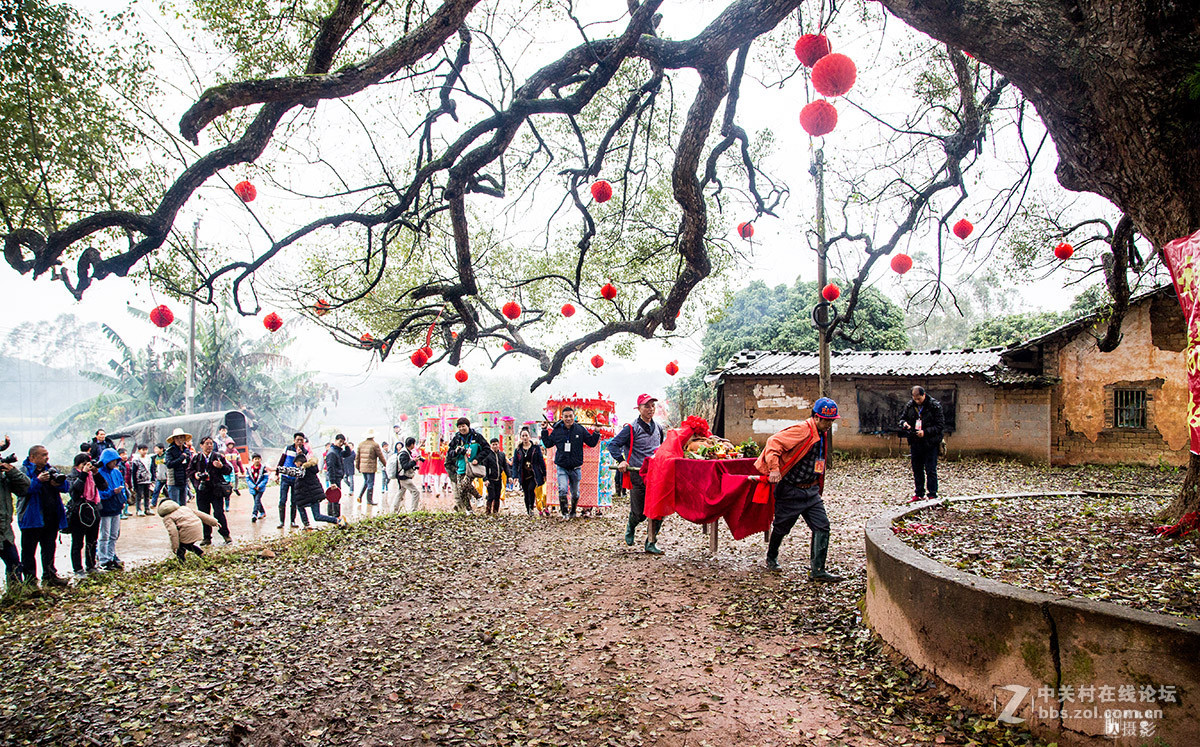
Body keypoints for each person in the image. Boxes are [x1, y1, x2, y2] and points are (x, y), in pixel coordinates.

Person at [755, 397, 844, 581]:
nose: (829, 424)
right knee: (781, 527)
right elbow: (773, 443)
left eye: (832, 420)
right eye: (827, 420)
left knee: (822, 526)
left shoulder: (822, 434)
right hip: (791, 489)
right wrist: (774, 469)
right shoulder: (802, 430)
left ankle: (818, 570)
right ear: (816, 418)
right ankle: (771, 557)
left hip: (810, 491)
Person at [609, 393, 666, 553]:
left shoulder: (659, 428)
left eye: (652, 406)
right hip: (637, 473)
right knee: (640, 513)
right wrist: (621, 460)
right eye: (646, 406)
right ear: (639, 408)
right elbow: (613, 445)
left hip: (655, 474)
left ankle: (651, 542)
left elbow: (662, 448)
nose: (650, 409)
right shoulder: (631, 428)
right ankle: (631, 524)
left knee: (658, 510)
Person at [17, 445, 70, 587]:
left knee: (49, 548)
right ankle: (30, 581)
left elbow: (66, 488)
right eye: (43, 455)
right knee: (28, 551)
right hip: (31, 517)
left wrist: (57, 483)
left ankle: (50, 575)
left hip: (50, 517)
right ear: (32, 457)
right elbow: (23, 490)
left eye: (47, 454)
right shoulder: (24, 471)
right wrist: (38, 481)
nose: (47, 457)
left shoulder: (51, 469)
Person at [541, 406, 601, 518]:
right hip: (562, 466)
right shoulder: (557, 430)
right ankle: (564, 513)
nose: (568, 418)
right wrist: (544, 431)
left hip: (576, 466)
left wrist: (596, 432)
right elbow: (548, 444)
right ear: (562, 417)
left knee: (575, 494)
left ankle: (573, 511)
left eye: (570, 416)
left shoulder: (580, 429)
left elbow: (591, 443)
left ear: (574, 417)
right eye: (566, 416)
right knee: (562, 489)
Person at [278, 446, 347, 530]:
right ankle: (336, 520)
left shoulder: (304, 470)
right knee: (314, 514)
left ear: (299, 462)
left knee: (306, 510)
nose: (295, 465)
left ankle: (310, 524)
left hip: (311, 496)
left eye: (296, 464)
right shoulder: (310, 468)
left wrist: (280, 469)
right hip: (314, 496)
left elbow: (294, 472)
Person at [901, 385, 945, 503]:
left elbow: (940, 426)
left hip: (930, 442)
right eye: (915, 398)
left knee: (930, 469)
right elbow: (902, 418)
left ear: (924, 395)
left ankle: (932, 494)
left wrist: (925, 432)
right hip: (915, 442)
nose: (917, 401)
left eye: (919, 398)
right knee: (917, 469)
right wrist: (905, 424)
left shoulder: (934, 406)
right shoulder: (910, 406)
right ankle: (919, 493)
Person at [189, 436, 232, 545]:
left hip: (216, 490)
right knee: (204, 514)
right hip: (202, 490)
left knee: (219, 513)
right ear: (201, 445)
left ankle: (226, 534)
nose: (209, 446)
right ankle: (207, 537)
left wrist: (221, 467)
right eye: (207, 444)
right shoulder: (196, 458)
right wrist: (196, 475)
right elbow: (189, 471)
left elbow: (228, 470)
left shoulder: (218, 457)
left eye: (211, 444)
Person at [0, 437, 30, 587]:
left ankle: (16, 594)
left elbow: (25, 487)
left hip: (4, 530)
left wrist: (12, 472)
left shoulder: (4, 478)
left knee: (14, 564)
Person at [66, 454, 101, 577]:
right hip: (78, 513)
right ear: (78, 465)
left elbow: (103, 486)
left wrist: (96, 473)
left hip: (93, 510)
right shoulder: (72, 476)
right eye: (84, 464)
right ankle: (78, 568)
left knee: (92, 541)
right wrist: (83, 474)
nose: (87, 466)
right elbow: (75, 492)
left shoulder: (92, 476)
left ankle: (91, 565)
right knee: (77, 542)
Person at [446, 418, 490, 512]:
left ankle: (478, 497)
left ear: (468, 426)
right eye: (459, 427)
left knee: (463, 485)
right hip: (460, 467)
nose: (462, 428)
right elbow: (449, 452)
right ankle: (469, 510)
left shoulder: (476, 437)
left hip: (471, 467)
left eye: (463, 426)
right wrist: (455, 451)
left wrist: (478, 459)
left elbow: (487, 449)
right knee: (461, 491)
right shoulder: (457, 438)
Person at [156, 499, 221, 563]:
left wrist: (175, 546)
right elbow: (202, 515)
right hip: (198, 528)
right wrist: (214, 522)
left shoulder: (167, 518)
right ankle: (201, 555)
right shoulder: (184, 508)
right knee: (186, 545)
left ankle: (185, 561)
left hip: (187, 530)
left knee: (181, 548)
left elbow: (173, 532)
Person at [96, 447, 127, 570]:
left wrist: (123, 499)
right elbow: (99, 493)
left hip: (116, 506)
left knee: (114, 534)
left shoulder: (116, 472)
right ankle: (103, 559)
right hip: (105, 508)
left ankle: (111, 556)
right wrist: (112, 492)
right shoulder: (99, 474)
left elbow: (122, 486)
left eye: (115, 461)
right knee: (105, 534)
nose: (114, 463)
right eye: (112, 461)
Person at [512, 428, 546, 516]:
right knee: (526, 492)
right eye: (523, 436)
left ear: (529, 436)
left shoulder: (535, 448)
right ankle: (528, 509)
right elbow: (515, 463)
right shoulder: (518, 450)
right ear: (520, 437)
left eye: (526, 435)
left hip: (534, 473)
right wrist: (515, 476)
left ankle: (531, 507)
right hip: (523, 474)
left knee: (531, 489)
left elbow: (541, 460)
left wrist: (544, 473)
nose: (525, 438)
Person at [276, 433, 305, 529]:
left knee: (294, 500)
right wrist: (277, 474)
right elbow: (281, 460)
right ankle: (281, 522)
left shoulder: (305, 452)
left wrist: (300, 455)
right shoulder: (288, 448)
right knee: (282, 499)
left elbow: (305, 465)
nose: (300, 442)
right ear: (294, 440)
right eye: (298, 440)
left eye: (301, 440)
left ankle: (292, 521)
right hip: (285, 477)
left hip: (296, 479)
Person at [389, 438, 422, 512]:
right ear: (412, 444)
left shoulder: (405, 452)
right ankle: (413, 510)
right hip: (404, 477)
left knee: (400, 493)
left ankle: (394, 510)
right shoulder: (404, 454)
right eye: (414, 444)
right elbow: (405, 466)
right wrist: (414, 461)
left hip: (402, 476)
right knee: (415, 492)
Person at [355, 430, 386, 505]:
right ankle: (369, 500)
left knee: (366, 482)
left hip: (363, 467)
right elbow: (380, 456)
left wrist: (357, 467)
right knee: (370, 483)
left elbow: (357, 457)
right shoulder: (375, 445)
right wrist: (385, 464)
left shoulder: (360, 444)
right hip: (371, 467)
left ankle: (360, 496)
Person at [164, 428, 193, 505]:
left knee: (183, 505)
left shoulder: (186, 450)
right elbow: (169, 464)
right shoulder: (169, 451)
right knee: (174, 505)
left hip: (184, 480)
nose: (179, 440)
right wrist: (181, 458)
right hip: (173, 481)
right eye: (177, 438)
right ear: (174, 439)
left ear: (184, 439)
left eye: (181, 437)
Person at [483, 438, 509, 515]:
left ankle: (496, 511)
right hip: (490, 479)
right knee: (491, 496)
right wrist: (485, 479)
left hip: (498, 478)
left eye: (496, 444)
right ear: (491, 445)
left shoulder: (502, 455)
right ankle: (488, 511)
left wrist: (509, 476)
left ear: (499, 445)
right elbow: (485, 468)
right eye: (493, 444)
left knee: (497, 496)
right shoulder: (487, 455)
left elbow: (505, 466)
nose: (495, 446)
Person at [247, 453, 270, 523]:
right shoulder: (249, 469)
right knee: (257, 501)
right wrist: (253, 486)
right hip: (253, 488)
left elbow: (265, 479)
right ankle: (262, 512)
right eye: (255, 459)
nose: (257, 460)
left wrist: (259, 486)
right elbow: (248, 479)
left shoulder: (263, 469)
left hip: (260, 488)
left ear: (260, 459)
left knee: (257, 500)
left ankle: (254, 514)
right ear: (252, 460)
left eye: (258, 459)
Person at [131, 444, 152, 516]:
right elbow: (134, 472)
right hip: (139, 481)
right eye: (143, 450)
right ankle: (138, 509)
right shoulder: (136, 460)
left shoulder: (149, 459)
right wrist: (134, 483)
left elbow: (151, 468)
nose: (145, 451)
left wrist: (152, 478)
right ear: (139, 451)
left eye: (146, 449)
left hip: (147, 479)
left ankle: (147, 508)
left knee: (147, 495)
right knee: (139, 495)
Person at [150, 443, 167, 508]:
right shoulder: (155, 457)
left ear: (161, 449)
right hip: (159, 477)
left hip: (166, 477)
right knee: (156, 490)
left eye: (157, 448)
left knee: (169, 491)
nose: (155, 450)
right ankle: (153, 503)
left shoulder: (166, 456)